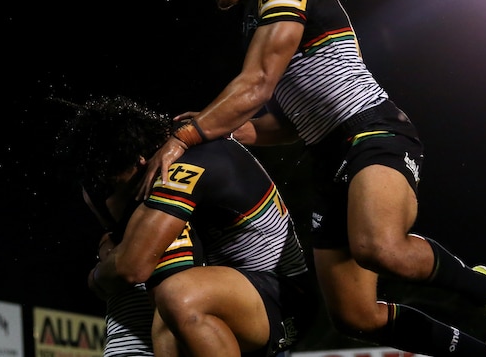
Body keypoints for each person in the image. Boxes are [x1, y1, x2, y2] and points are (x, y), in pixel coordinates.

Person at [137, 0, 486, 357]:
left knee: (378, 247)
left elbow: (255, 85)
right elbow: (287, 120)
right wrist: (220, 128)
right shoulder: (256, 17)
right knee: (355, 315)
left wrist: (186, 136)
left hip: (371, 131)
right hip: (327, 159)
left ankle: (481, 288)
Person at [55, 94, 318, 357]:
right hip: (250, 299)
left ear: (140, 162)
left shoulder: (177, 171)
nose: (125, 201)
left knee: (174, 296)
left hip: (283, 301)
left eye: (117, 187)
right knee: (165, 309)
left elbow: (129, 268)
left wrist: (96, 275)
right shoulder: (175, 142)